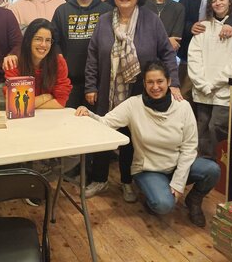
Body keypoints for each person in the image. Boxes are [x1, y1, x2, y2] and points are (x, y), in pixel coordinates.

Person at [76, 60, 220, 227]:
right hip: (148, 169)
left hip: (176, 165)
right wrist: (88, 114)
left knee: (212, 170)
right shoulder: (133, 105)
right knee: (164, 205)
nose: (155, 87)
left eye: (160, 81)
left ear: (169, 82)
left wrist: (178, 182)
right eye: (150, 82)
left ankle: (194, 200)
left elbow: (189, 147)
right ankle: (153, 197)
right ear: (144, 84)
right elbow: (106, 122)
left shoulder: (183, 107)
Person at [84, 0, 181, 201]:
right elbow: (93, 56)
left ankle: (127, 182)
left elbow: (167, 53)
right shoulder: (104, 21)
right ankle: (99, 180)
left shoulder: (151, 20)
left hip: (139, 91)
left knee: (131, 138)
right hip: (107, 90)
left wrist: (174, 84)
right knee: (103, 134)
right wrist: (90, 86)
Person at [188, 0, 232, 159]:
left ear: (231, 1)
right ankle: (203, 168)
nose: (218, 3)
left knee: (217, 129)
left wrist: (215, 82)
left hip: (225, 91)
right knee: (201, 130)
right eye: (214, 0)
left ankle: (220, 171)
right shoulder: (203, 27)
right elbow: (194, 57)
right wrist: (202, 84)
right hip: (202, 91)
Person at [52, 0, 112, 109]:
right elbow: (54, 41)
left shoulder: (107, 11)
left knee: (94, 121)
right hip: (69, 82)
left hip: (98, 83)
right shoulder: (62, 11)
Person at [5, 18, 72, 109]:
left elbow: (60, 102)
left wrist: (28, 105)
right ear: (28, 40)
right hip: (23, 117)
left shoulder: (59, 63)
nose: (43, 44)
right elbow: (13, 104)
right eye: (38, 39)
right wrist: (46, 97)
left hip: (49, 115)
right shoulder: (14, 63)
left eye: (48, 40)